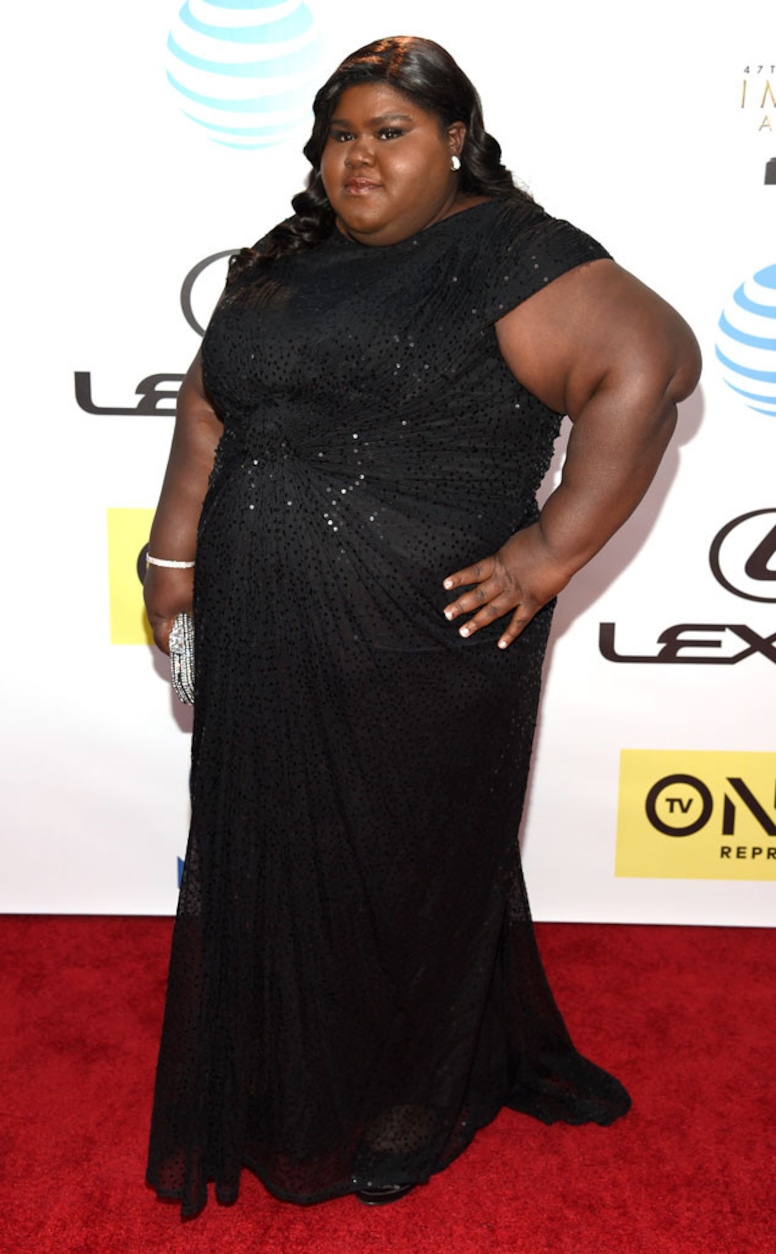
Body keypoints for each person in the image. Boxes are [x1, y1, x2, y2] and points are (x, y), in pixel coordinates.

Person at [144, 35, 701, 1216]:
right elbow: (206, 415)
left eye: (390, 132)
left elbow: (648, 363)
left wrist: (548, 552)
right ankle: (288, 1069)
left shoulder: (506, 250)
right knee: (281, 849)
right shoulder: (278, 264)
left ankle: (405, 1098)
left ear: (454, 138)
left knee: (406, 866)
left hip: (423, 646)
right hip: (262, 630)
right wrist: (171, 557)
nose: (360, 156)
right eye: (341, 134)